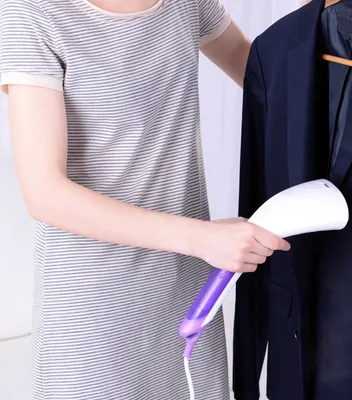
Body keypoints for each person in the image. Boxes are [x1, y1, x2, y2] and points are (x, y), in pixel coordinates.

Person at [0, 0, 289, 399]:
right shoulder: (33, 11)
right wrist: (202, 238)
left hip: (188, 293)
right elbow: (45, 193)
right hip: (94, 315)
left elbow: (263, 76)